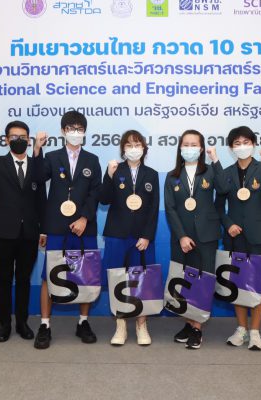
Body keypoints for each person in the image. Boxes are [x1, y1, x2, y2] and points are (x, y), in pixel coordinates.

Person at [32, 111, 101, 349]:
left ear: (84, 132)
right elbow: (37, 178)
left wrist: (84, 218)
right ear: (63, 131)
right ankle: (45, 325)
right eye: (71, 128)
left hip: (84, 228)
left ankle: (83, 322)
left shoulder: (92, 160)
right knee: (49, 275)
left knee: (85, 274)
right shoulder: (52, 157)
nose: (75, 132)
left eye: (79, 128)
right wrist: (37, 149)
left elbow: (95, 192)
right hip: (56, 227)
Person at [0, 121, 47, 342]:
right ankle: (4, 324)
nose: (18, 140)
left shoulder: (36, 164)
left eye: (23, 137)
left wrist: (43, 229)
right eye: (14, 137)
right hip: (3, 233)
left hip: (29, 233)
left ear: (29, 140)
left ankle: (22, 323)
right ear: (6, 140)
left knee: (24, 280)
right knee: (4, 280)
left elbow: (41, 196)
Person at [215, 126, 261, 351]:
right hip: (235, 236)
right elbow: (218, 206)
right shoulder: (227, 173)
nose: (242, 146)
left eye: (246, 142)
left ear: (253, 143)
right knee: (237, 283)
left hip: (260, 235)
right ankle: (241, 328)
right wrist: (228, 224)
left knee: (257, 284)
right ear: (231, 148)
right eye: (237, 143)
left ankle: (255, 332)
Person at [164, 129, 227, 349]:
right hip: (181, 237)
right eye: (186, 144)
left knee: (202, 282)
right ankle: (188, 324)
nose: (189, 148)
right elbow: (170, 209)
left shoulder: (210, 171)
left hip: (206, 236)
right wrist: (181, 236)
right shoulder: (172, 176)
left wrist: (215, 160)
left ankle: (197, 328)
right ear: (180, 148)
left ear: (201, 149)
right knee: (183, 282)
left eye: (194, 145)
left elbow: (225, 188)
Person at [100, 130, 159, 346]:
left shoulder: (151, 174)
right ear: (123, 149)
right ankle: (121, 325)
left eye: (137, 144)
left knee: (141, 281)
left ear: (144, 148)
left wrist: (147, 235)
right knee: (118, 280)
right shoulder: (116, 170)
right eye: (129, 145)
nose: (133, 149)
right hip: (117, 234)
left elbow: (153, 208)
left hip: (141, 238)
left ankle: (141, 325)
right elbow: (104, 200)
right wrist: (109, 175)